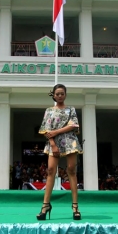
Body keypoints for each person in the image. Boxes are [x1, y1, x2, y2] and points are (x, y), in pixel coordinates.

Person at [36, 84, 83, 221]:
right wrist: (53, 144)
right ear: (54, 95)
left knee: (72, 170)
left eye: (62, 93)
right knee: (51, 170)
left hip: (70, 140)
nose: (60, 96)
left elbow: (73, 125)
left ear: (65, 95)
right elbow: (46, 129)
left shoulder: (71, 109)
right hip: (53, 142)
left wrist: (56, 132)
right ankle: (45, 206)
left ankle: (75, 207)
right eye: (57, 94)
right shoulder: (49, 110)